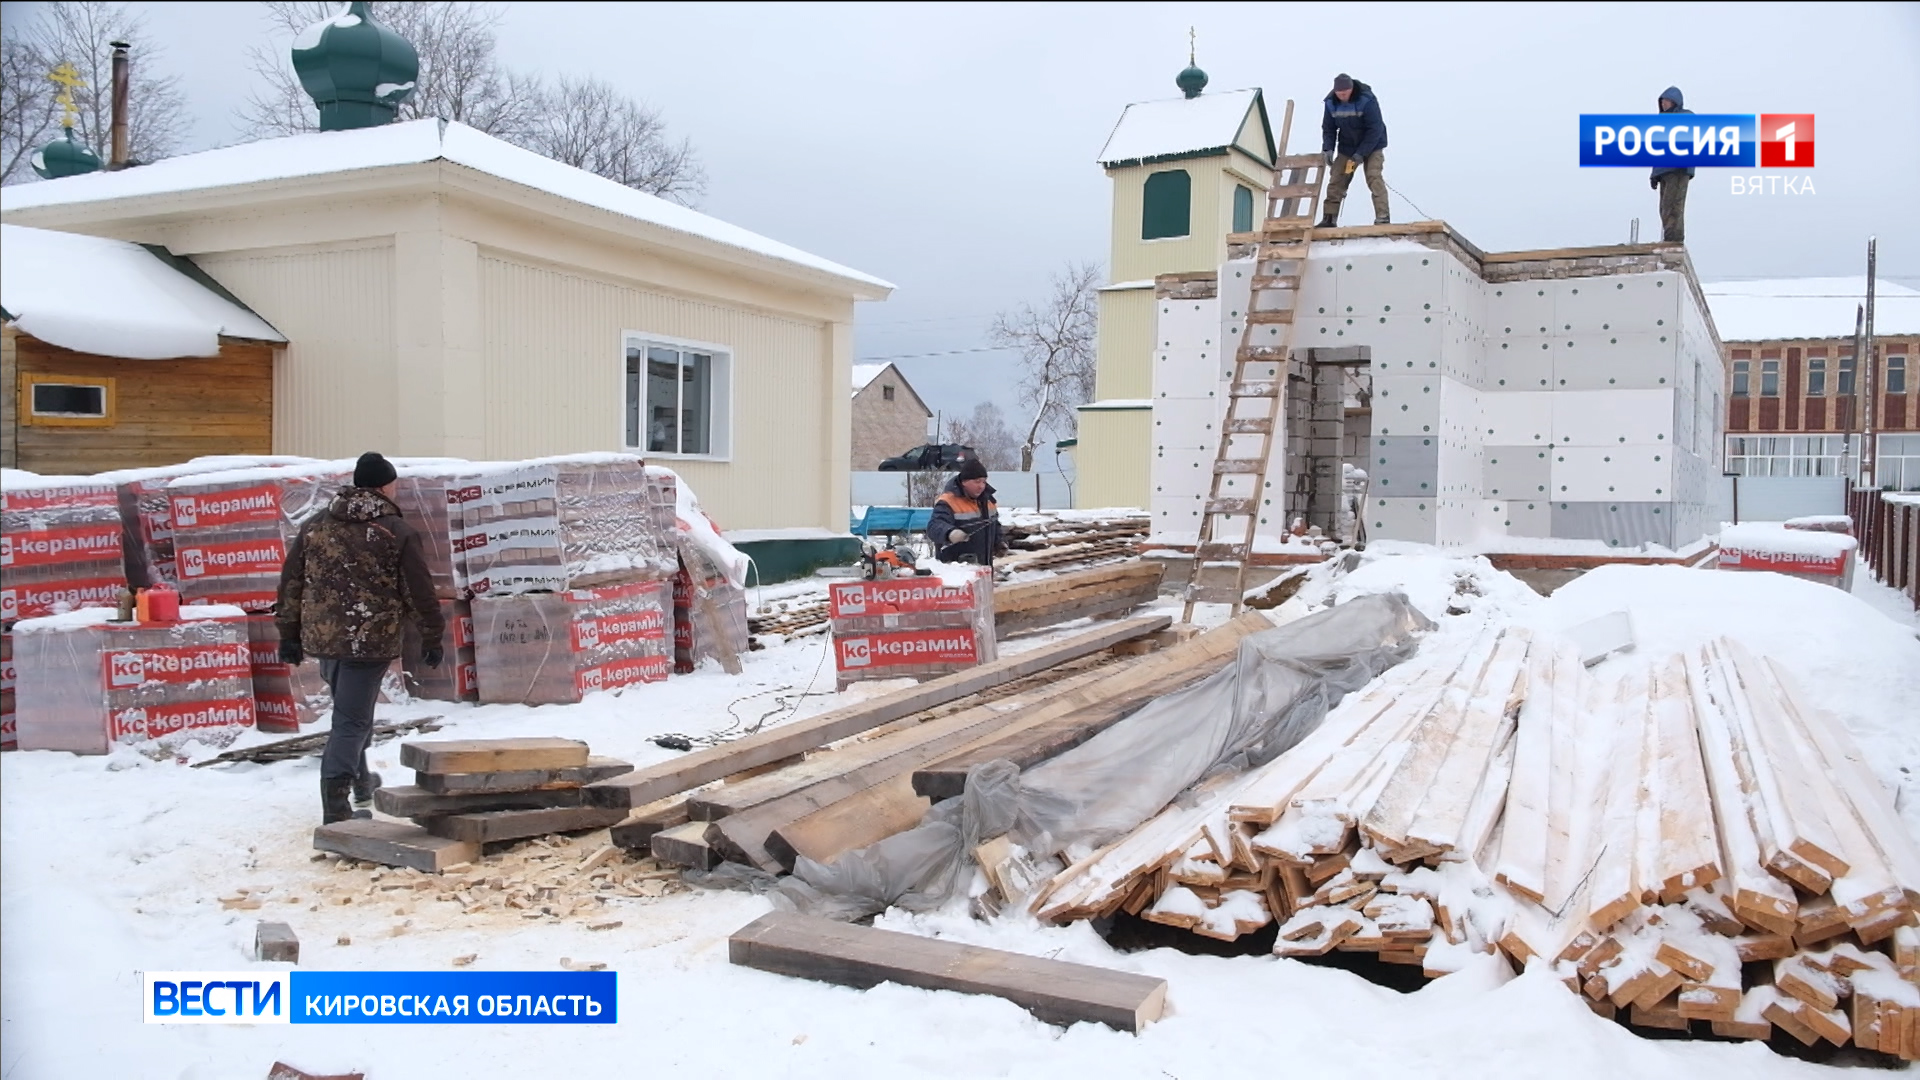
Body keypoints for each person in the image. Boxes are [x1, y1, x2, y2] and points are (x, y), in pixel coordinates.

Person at [276, 452, 444, 824]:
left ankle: (362, 782)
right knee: (351, 721)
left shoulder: (316, 524)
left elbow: (291, 582)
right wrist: (433, 636)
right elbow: (418, 592)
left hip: (324, 639)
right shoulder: (395, 531)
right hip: (368, 642)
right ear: (386, 486)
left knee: (352, 712)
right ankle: (336, 808)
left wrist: (288, 632)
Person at [1319, 73, 1390, 228]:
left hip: (1373, 145)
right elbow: (1329, 129)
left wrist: (1361, 153)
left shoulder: (1367, 100)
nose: (1342, 96)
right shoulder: (1331, 103)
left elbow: (1375, 129)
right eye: (1339, 93)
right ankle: (1329, 218)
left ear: (1351, 89)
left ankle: (1382, 216)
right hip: (1347, 147)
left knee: (1373, 176)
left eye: (1345, 92)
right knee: (1337, 178)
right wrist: (1328, 149)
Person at [926, 459, 1005, 565]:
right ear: (964, 482)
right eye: (977, 482)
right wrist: (950, 533)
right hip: (956, 570)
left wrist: (999, 542)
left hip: (984, 566)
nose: (981, 486)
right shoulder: (948, 501)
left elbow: (995, 525)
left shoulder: (988, 501)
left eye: (984, 481)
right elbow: (934, 526)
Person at [1650, 86, 1694, 243]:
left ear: (1675, 102)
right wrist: (1654, 175)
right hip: (1664, 171)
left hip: (1679, 169)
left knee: (1674, 205)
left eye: (1667, 101)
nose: (1664, 104)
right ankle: (1670, 237)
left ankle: (1674, 239)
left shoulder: (1686, 117)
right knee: (1664, 207)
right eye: (1662, 101)